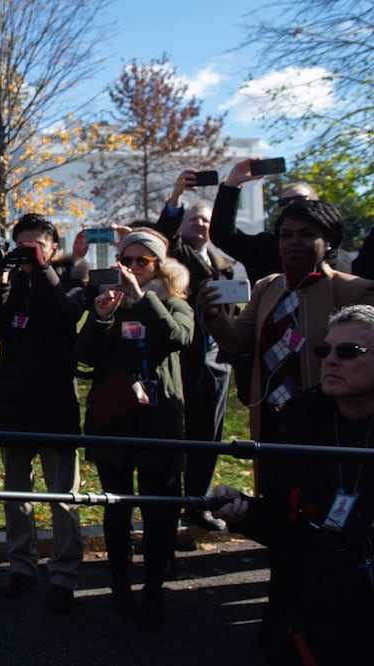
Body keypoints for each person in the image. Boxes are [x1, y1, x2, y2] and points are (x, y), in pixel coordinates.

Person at [212, 304, 374, 664]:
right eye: (324, 350)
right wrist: (243, 511)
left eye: (349, 352)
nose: (330, 360)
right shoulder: (304, 418)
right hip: (307, 611)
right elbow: (283, 522)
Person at [75, 228, 194, 631]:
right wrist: (101, 316)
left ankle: (155, 588)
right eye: (127, 260)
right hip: (114, 420)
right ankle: (120, 588)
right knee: (116, 508)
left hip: (158, 423)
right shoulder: (109, 305)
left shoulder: (173, 305)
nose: (133, 269)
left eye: (143, 262)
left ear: (159, 266)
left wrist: (143, 301)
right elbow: (83, 356)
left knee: (159, 511)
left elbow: (178, 338)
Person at [0, 214, 87, 613]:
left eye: (37, 246)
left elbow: (65, 315)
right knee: (15, 496)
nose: (28, 253)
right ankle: (22, 565)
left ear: (53, 248)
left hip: (55, 404)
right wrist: (0, 280)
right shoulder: (13, 283)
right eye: (22, 246)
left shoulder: (72, 281)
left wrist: (41, 271)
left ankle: (64, 575)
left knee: (63, 497)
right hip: (13, 404)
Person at [200, 200, 374, 448]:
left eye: (307, 234)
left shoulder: (352, 290)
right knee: (275, 479)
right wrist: (214, 316)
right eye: (286, 235)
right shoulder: (268, 287)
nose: (294, 241)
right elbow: (239, 340)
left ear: (329, 242)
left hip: (328, 419)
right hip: (271, 414)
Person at [154, 175, 237, 531]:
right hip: (185, 357)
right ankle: (174, 505)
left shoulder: (224, 263)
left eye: (205, 220)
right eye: (194, 219)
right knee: (181, 434)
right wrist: (176, 198)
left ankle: (199, 502)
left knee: (210, 434)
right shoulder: (179, 254)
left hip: (218, 360)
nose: (200, 225)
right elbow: (166, 235)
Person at [208, 158, 351, 283]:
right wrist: (233, 182)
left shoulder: (344, 261)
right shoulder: (265, 249)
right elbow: (222, 235)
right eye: (284, 202)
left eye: (300, 200)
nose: (292, 205)